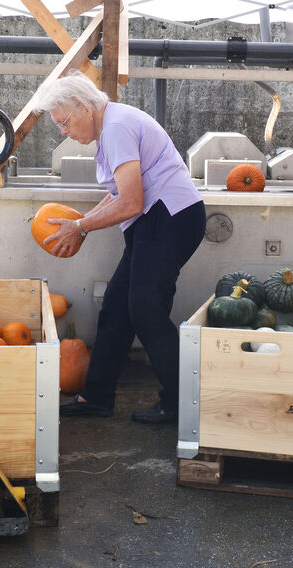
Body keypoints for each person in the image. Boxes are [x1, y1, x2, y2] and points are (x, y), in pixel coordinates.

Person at [37, 72, 205, 424]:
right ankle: (96, 397)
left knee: (145, 308)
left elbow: (130, 202)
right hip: (156, 219)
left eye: (64, 123)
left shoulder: (115, 129)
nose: (64, 132)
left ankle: (180, 403)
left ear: (84, 107)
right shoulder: (112, 124)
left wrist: (81, 226)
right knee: (117, 307)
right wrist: (83, 224)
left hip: (169, 217)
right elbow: (117, 194)